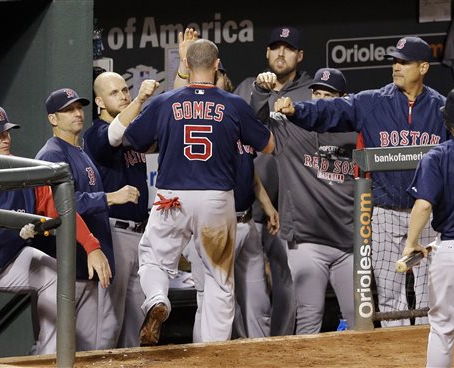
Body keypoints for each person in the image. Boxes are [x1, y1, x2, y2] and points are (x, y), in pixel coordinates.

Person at [276, 36, 449, 327]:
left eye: (404, 62)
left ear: (423, 67)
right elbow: (332, 111)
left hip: (428, 214)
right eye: (394, 61)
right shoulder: (372, 102)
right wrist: (298, 111)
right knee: (390, 294)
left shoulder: (440, 109)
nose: (396, 67)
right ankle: (397, 357)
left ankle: (426, 354)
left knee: (428, 296)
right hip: (383, 213)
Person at [119, 39, 275, 346]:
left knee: (154, 259)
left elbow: (131, 139)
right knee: (219, 282)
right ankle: (212, 354)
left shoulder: (165, 102)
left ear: (186, 65)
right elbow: (268, 145)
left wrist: (164, 135)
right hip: (216, 198)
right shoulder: (233, 103)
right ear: (217, 66)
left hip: (172, 196)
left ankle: (156, 298)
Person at [0, 105, 105, 360]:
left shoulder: (20, 170)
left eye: (7, 132)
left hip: (7, 262)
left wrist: (92, 246)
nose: (6, 139)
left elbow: (61, 209)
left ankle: (46, 359)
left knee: (56, 274)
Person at [174, 29, 278, 340]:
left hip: (247, 223)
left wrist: (267, 204)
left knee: (257, 304)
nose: (213, 81)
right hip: (215, 225)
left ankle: (257, 358)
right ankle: (204, 359)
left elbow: (250, 170)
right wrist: (183, 60)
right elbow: (177, 98)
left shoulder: (235, 115)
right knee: (210, 302)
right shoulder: (193, 119)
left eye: (218, 76)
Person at [251, 68, 357, 334]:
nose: (320, 100)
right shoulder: (290, 127)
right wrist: (261, 92)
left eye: (329, 95)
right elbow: (255, 123)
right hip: (308, 243)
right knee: (309, 318)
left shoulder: (358, 133)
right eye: (317, 93)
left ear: (344, 99)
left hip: (350, 244)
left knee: (359, 319)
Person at [35, 88, 140, 350]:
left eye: (79, 107)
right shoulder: (51, 154)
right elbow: (61, 205)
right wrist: (109, 198)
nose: (77, 113)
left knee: (88, 349)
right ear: (53, 119)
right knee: (55, 348)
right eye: (68, 110)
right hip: (65, 265)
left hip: (87, 267)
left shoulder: (79, 151)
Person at [236, 25, 313, 336]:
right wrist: (259, 92)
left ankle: (282, 343)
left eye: (288, 48)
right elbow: (241, 131)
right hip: (250, 201)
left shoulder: (310, 91)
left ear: (299, 55)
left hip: (292, 200)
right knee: (245, 282)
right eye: (276, 47)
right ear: (267, 52)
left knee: (285, 278)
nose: (281, 53)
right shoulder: (246, 88)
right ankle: (246, 344)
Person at [83, 72, 158, 348]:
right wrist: (139, 100)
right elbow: (114, 135)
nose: (124, 95)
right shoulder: (96, 132)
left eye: (126, 90)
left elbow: (172, 115)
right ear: (99, 101)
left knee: (137, 321)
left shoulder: (133, 132)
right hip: (112, 232)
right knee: (109, 322)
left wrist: (183, 75)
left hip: (139, 233)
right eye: (115, 92)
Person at [403, 87, 454, 367]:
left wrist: (411, 244)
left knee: (443, 329)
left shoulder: (437, 156)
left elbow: (423, 205)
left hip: (449, 251)